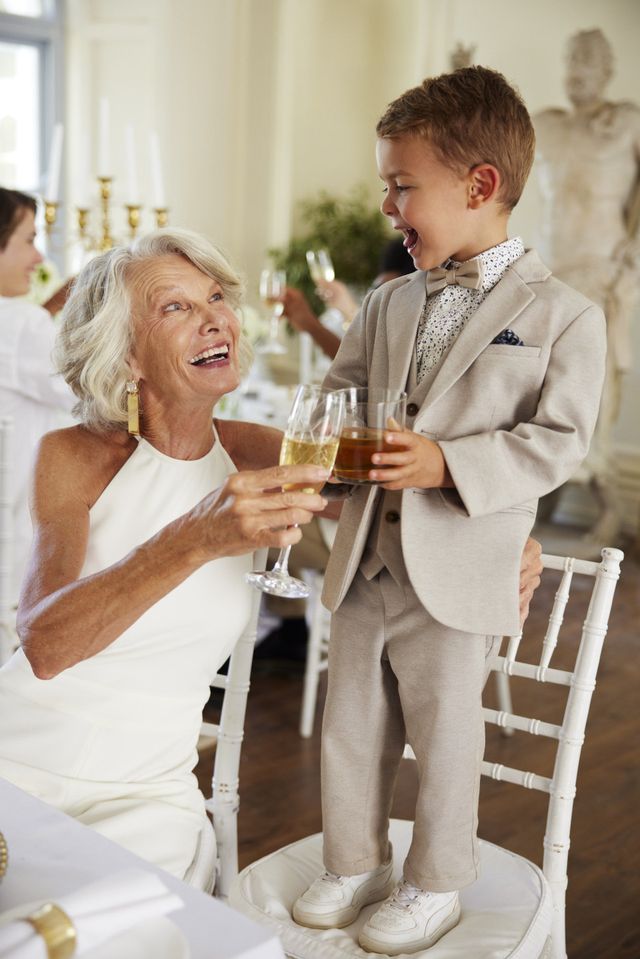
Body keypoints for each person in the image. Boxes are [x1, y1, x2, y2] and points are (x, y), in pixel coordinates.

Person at [293, 66, 606, 954]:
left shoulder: (564, 316)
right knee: (351, 724)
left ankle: (437, 879)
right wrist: (328, 455)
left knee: (445, 732)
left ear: (480, 186)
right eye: (385, 184)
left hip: (461, 561)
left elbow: (559, 440)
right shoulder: (390, 300)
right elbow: (341, 392)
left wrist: (446, 463)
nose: (388, 204)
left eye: (403, 185)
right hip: (365, 555)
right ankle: (353, 859)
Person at [0, 227, 330, 886]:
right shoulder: (74, 456)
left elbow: (400, 507)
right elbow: (46, 643)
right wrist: (196, 537)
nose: (216, 319)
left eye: (215, 297)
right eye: (176, 307)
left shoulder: (261, 450)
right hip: (20, 764)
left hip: (148, 794)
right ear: (128, 355)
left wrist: (507, 534)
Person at [534, 29, 640, 545]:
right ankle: (541, 488)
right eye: (570, 60)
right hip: (552, 276)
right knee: (539, 387)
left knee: (594, 395)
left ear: (606, 69)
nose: (576, 71)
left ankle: (608, 507)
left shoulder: (627, 124)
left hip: (602, 276)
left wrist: (632, 259)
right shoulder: (546, 127)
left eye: (586, 62)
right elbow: (476, 143)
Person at [0, 187, 76, 606]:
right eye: (29, 240)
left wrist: (47, 310)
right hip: (18, 551)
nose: (39, 258)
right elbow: (101, 398)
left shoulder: (22, 323)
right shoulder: (23, 325)